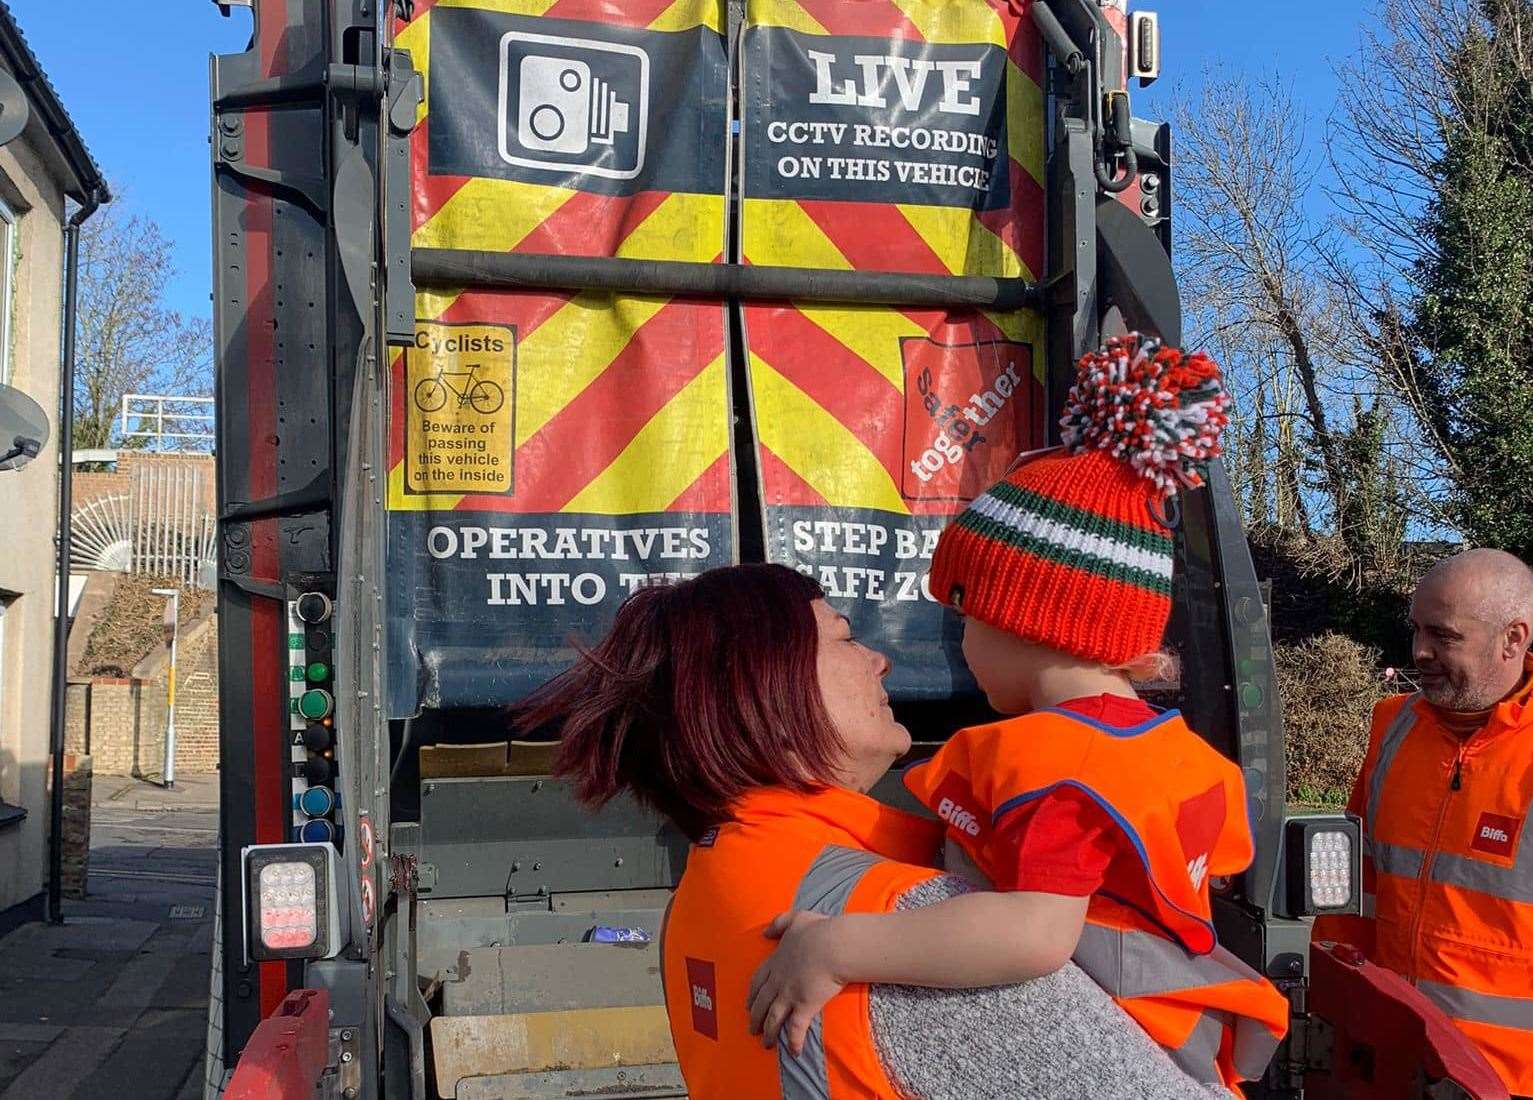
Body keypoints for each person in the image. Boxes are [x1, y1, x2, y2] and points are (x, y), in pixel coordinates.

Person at [749, 333, 1289, 1093]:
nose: (961, 644)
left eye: (964, 619)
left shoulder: (1057, 761)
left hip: (1121, 1038)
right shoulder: (1168, 751)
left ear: (1023, 620)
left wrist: (838, 948)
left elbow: (1032, 934)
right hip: (1179, 1032)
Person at [518, 562, 1221, 1099]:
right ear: (765, 683)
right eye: (846, 639)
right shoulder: (900, 929)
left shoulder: (703, 895)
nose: (878, 660)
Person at [1312, 547, 1533, 1096]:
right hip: (1392, 1060)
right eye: (1415, 630)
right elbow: (1353, 888)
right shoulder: (1392, 726)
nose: (1420, 651)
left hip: (1506, 1080)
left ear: (1514, 638)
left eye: (1444, 635)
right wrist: (1337, 1012)